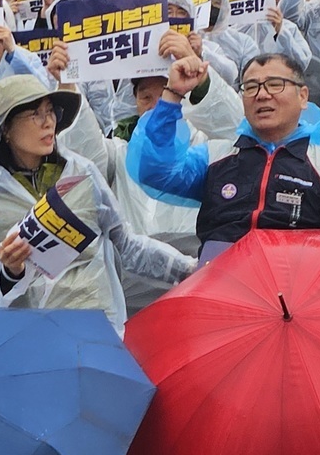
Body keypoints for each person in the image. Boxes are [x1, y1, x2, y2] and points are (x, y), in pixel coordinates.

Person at [0, 74, 194, 335]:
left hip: (95, 320)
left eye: (50, 111)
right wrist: (9, 271)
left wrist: (188, 269)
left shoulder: (81, 173)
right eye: (35, 114)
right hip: (25, 333)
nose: (48, 122)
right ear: (5, 129)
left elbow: (127, 245)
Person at [60, 31, 243, 309]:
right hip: (132, 276)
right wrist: (68, 87)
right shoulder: (118, 150)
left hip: (195, 271)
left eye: (167, 92)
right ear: (133, 101)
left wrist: (197, 71)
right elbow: (83, 153)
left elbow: (235, 131)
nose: (157, 104)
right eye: (146, 96)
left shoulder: (206, 145)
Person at [132, 52, 320, 253]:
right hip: (221, 289)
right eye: (251, 87)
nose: (262, 94)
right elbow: (157, 173)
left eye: (275, 84)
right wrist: (172, 95)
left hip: (296, 296)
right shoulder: (214, 156)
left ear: (303, 96)